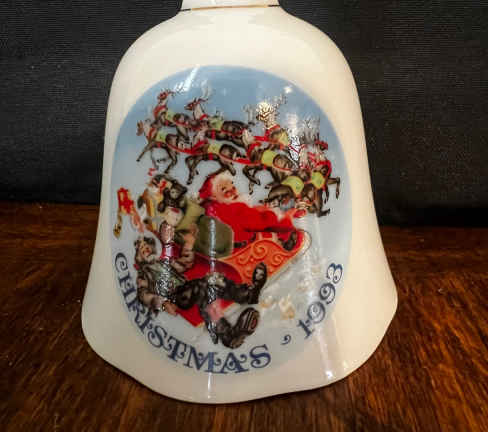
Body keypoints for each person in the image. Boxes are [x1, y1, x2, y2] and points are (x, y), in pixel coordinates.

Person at [198, 172, 300, 251]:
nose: (233, 191)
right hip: (247, 250)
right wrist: (275, 214)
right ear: (214, 197)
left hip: (230, 249)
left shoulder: (212, 210)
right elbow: (263, 223)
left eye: (233, 186)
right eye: (225, 190)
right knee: (285, 228)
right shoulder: (236, 208)